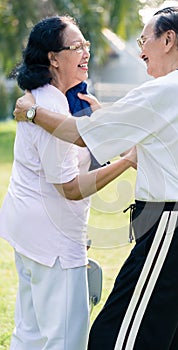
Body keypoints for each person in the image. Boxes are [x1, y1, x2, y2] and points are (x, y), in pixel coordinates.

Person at [13, 2, 178, 349]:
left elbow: (81, 135)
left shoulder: (164, 90)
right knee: (169, 334)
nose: (140, 53)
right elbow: (149, 131)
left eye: (144, 41)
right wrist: (109, 121)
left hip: (171, 223)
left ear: (168, 39)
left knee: (114, 337)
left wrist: (33, 112)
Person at [0, 15, 136, 350]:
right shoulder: (49, 105)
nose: (86, 52)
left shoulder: (43, 99)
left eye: (86, 45)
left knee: (29, 335)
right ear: (53, 58)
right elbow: (71, 188)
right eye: (77, 47)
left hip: (30, 234)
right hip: (52, 244)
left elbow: (74, 152)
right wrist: (128, 161)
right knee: (65, 340)